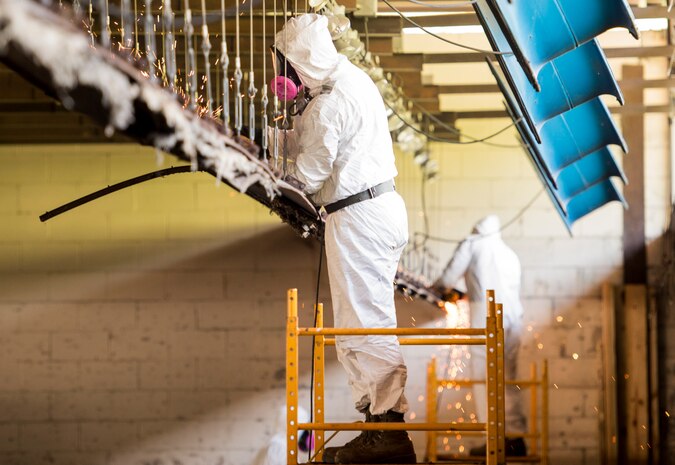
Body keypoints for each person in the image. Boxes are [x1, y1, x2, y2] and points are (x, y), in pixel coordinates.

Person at [271, 13, 415, 465]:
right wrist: (279, 135)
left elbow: (310, 173)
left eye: (289, 67)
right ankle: (377, 424)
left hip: (360, 215)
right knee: (357, 321)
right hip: (368, 209)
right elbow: (320, 142)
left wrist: (279, 175)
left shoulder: (331, 100)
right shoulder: (350, 81)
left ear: (302, 60)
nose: (287, 78)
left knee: (365, 321)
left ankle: (389, 431)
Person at [432, 215, 528, 457]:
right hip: (514, 321)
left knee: (486, 380)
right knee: (508, 379)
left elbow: (446, 279)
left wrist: (440, 289)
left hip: (487, 319)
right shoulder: (508, 253)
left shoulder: (473, 243)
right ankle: (515, 439)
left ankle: (493, 439)